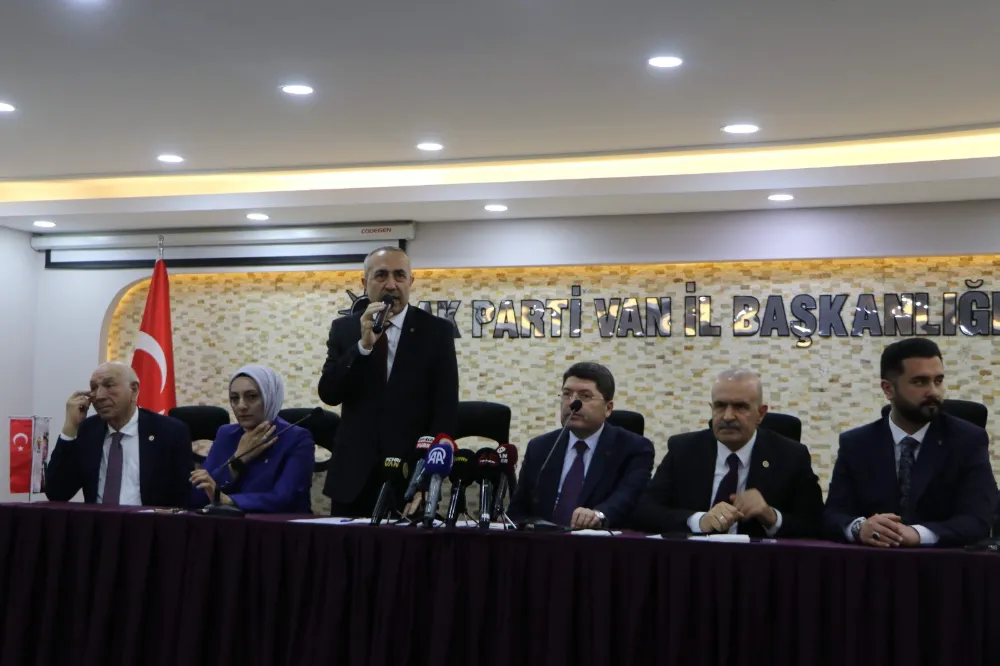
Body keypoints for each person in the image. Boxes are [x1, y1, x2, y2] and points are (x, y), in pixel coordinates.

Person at [318, 246, 459, 517]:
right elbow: (329, 393)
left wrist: (426, 478)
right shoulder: (345, 329)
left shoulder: (436, 332)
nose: (391, 284)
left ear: (411, 281)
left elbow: (445, 410)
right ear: (365, 282)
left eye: (399, 275)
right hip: (352, 479)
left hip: (408, 478)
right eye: (381, 275)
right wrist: (362, 347)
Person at [823, 339, 998, 547]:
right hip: (873, 560)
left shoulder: (968, 441)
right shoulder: (856, 444)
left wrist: (918, 534)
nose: (933, 391)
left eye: (938, 381)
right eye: (920, 382)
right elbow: (833, 514)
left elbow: (978, 520)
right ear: (888, 389)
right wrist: (859, 528)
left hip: (943, 562)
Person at [630, 368, 823, 537]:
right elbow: (643, 511)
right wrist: (699, 521)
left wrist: (771, 516)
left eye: (740, 407)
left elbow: (817, 524)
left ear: (761, 414)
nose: (728, 416)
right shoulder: (684, 450)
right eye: (720, 406)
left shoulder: (791, 456)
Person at [507, 362, 654, 529]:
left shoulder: (634, 449)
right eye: (567, 394)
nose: (572, 403)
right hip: (542, 540)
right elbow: (517, 512)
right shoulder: (540, 447)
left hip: (598, 541)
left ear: (608, 408)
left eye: (585, 396)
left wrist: (598, 515)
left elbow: (627, 497)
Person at [45, 362, 192, 507]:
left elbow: (184, 498)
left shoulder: (169, 432)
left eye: (109, 385)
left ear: (133, 389)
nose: (99, 396)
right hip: (97, 521)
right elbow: (56, 493)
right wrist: (70, 428)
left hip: (148, 521)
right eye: (94, 388)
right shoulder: (88, 430)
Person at [191, 365, 314, 513]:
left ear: (270, 396)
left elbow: (283, 498)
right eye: (234, 398)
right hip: (230, 523)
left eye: (251, 396)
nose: (241, 406)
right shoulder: (226, 434)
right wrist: (238, 460)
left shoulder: (296, 438)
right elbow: (199, 494)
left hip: (280, 524)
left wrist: (228, 501)